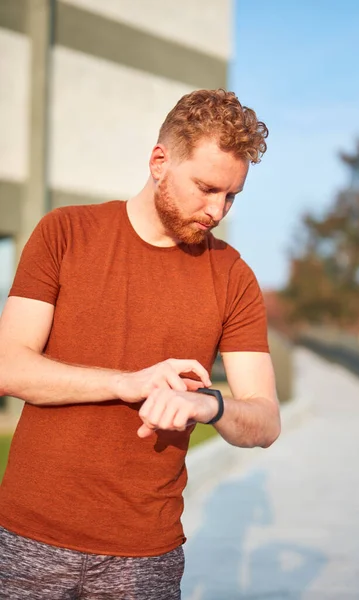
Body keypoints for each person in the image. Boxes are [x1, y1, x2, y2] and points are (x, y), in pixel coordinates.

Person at [0, 89, 281, 599]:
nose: (217, 210)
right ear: (159, 162)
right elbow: (9, 366)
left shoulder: (233, 277)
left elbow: (265, 421)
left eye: (232, 195)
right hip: (27, 540)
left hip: (145, 556)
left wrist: (207, 405)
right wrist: (127, 382)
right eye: (206, 187)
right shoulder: (65, 233)